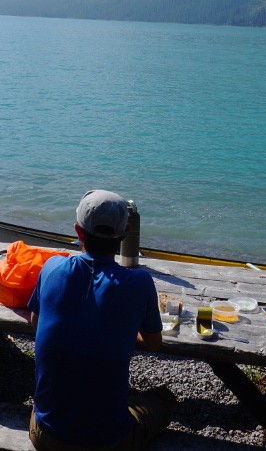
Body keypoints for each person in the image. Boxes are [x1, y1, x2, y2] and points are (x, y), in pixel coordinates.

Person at [27, 189, 176, 450]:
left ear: (78, 231)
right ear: (126, 231)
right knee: (163, 399)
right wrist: (122, 327)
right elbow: (153, 342)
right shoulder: (139, 283)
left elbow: (35, 322)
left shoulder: (51, 268)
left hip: (45, 434)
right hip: (107, 441)